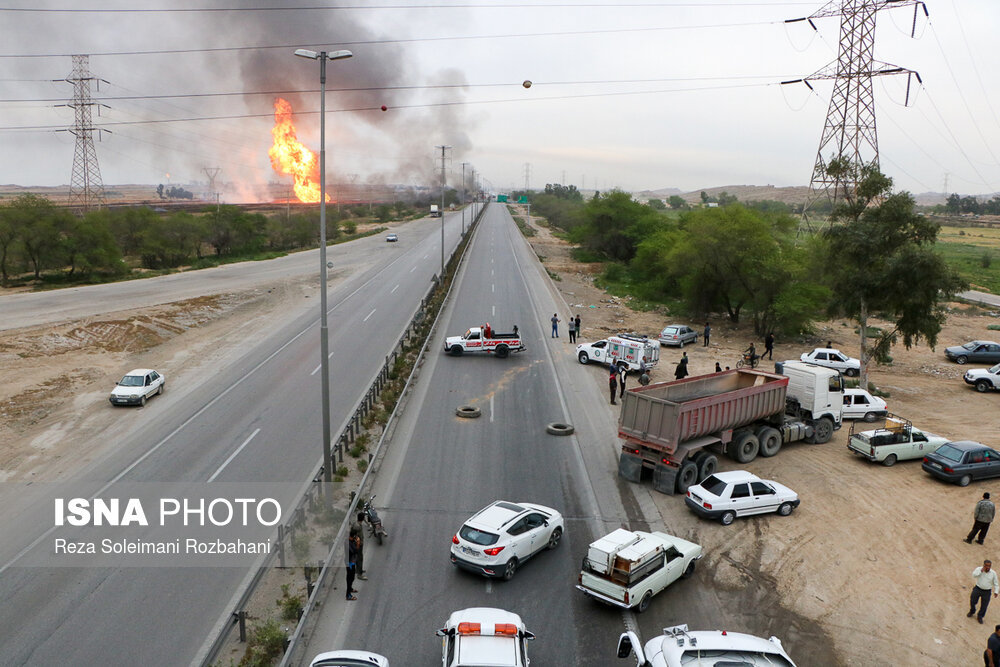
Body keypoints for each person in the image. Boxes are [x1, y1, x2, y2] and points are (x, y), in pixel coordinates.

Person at [350, 511, 368, 580]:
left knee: (358, 558)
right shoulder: (357, 526)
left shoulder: (356, 524)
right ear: (363, 519)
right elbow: (353, 534)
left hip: (356, 544)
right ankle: (359, 574)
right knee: (359, 559)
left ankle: (358, 570)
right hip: (358, 545)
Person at [346, 532, 360, 600]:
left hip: (352, 562)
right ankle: (348, 595)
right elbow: (354, 551)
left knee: (352, 577)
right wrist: (357, 544)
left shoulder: (351, 541)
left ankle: (350, 588)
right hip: (349, 563)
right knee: (349, 578)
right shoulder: (348, 544)